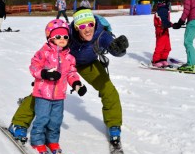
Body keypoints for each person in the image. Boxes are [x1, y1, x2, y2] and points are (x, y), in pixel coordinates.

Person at [9, 8, 129, 146]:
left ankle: (114, 125)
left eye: (90, 24)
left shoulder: (101, 34)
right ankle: (19, 123)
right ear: (76, 27)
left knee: (108, 89)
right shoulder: (68, 33)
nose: (88, 29)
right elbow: (51, 44)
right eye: (82, 26)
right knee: (42, 92)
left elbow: (114, 48)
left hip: (88, 64)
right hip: (64, 62)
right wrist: (44, 71)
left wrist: (120, 51)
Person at [28, 18, 87, 154]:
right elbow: (33, 67)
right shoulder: (44, 52)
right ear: (50, 38)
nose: (62, 39)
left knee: (56, 120)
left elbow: (72, 73)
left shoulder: (69, 57)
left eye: (65, 36)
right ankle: (37, 141)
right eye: (58, 36)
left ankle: (52, 141)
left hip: (59, 95)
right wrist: (44, 73)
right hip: (43, 93)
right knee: (42, 118)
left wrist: (77, 85)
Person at [151, 0, 172, 68]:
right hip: (161, 31)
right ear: (164, 2)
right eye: (168, 2)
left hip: (165, 31)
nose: (169, 4)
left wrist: (171, 24)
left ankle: (163, 59)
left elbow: (166, 21)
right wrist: (171, 25)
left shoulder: (165, 9)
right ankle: (155, 60)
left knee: (167, 47)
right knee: (160, 46)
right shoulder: (162, 10)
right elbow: (163, 20)